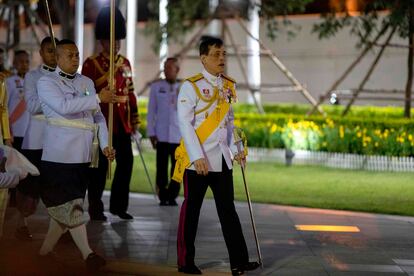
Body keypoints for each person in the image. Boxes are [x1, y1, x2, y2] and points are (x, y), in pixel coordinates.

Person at [174, 37, 259, 275]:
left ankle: (239, 261)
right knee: (192, 211)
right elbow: (185, 123)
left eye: (223, 54)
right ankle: (185, 262)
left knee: (228, 211)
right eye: (216, 54)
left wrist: (236, 150)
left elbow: (227, 123)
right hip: (198, 161)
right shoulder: (191, 86)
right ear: (203, 58)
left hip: (221, 159)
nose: (221, 59)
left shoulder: (228, 86)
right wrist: (195, 155)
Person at [37, 39, 115, 271]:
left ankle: (44, 253)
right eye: (69, 55)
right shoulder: (46, 82)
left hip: (83, 157)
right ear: (58, 58)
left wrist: (104, 144)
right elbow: (63, 106)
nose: (75, 59)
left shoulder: (87, 82)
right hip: (59, 157)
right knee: (72, 208)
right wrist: (99, 97)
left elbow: (98, 117)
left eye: (77, 55)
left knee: (65, 211)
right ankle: (88, 254)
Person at [82, 7, 139, 221]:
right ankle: (95, 208)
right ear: (102, 41)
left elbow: (131, 93)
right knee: (98, 168)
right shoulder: (92, 63)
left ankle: (119, 206)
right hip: (102, 122)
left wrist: (134, 119)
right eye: (111, 40)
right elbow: (86, 93)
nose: (116, 44)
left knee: (126, 165)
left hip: (122, 123)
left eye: (118, 40)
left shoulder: (125, 63)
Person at [11, 37, 58, 241]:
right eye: (49, 51)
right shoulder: (32, 77)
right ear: (41, 52)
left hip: (58, 141)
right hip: (35, 139)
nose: (53, 55)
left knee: (57, 185)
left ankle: (59, 228)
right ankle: (22, 223)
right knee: (28, 185)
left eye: (56, 51)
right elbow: (32, 106)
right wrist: (57, 102)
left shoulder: (66, 76)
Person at [147, 57, 181, 206]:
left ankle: (172, 195)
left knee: (177, 168)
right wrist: (151, 133)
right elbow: (151, 111)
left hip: (178, 136)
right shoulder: (156, 87)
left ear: (177, 70)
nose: (167, 71)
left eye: (170, 68)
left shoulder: (184, 87)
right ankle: (162, 195)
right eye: (165, 67)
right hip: (161, 135)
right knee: (161, 168)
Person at [6, 50, 30, 150]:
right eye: (21, 61)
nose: (24, 64)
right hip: (14, 131)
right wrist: (7, 132)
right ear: (14, 63)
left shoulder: (32, 81)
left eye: (27, 62)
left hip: (29, 132)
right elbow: (4, 106)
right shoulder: (9, 81)